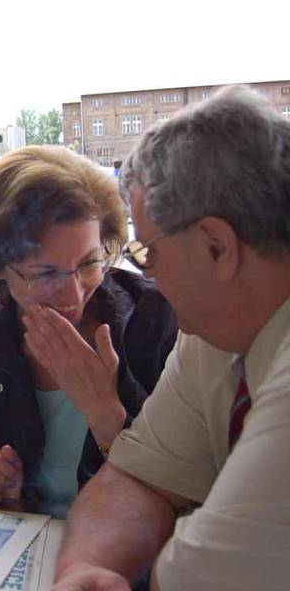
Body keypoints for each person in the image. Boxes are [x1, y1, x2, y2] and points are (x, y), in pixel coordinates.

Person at [54, 85, 290, 591]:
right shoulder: (217, 330)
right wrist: (87, 567)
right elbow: (139, 476)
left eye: (147, 253)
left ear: (216, 246)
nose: (147, 274)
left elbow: (199, 577)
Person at [0, 146, 177, 518]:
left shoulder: (159, 320)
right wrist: (1, 494)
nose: (74, 294)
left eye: (89, 263)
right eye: (46, 273)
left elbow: (189, 493)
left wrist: (107, 416)